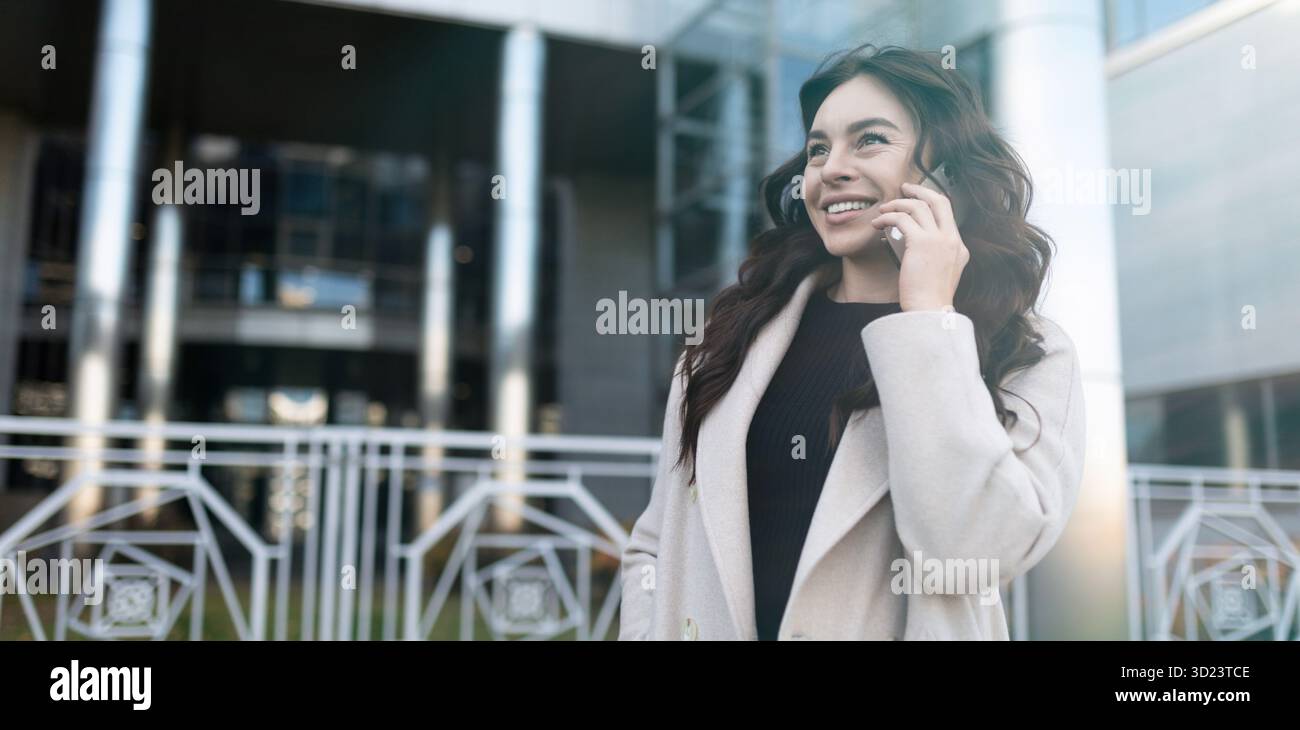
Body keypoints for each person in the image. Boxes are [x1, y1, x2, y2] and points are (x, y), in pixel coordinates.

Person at [618, 44, 1086, 640]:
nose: (831, 168)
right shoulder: (730, 337)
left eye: (869, 140)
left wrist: (929, 320)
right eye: (818, 148)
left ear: (948, 171)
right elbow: (656, 545)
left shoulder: (1027, 352)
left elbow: (971, 551)